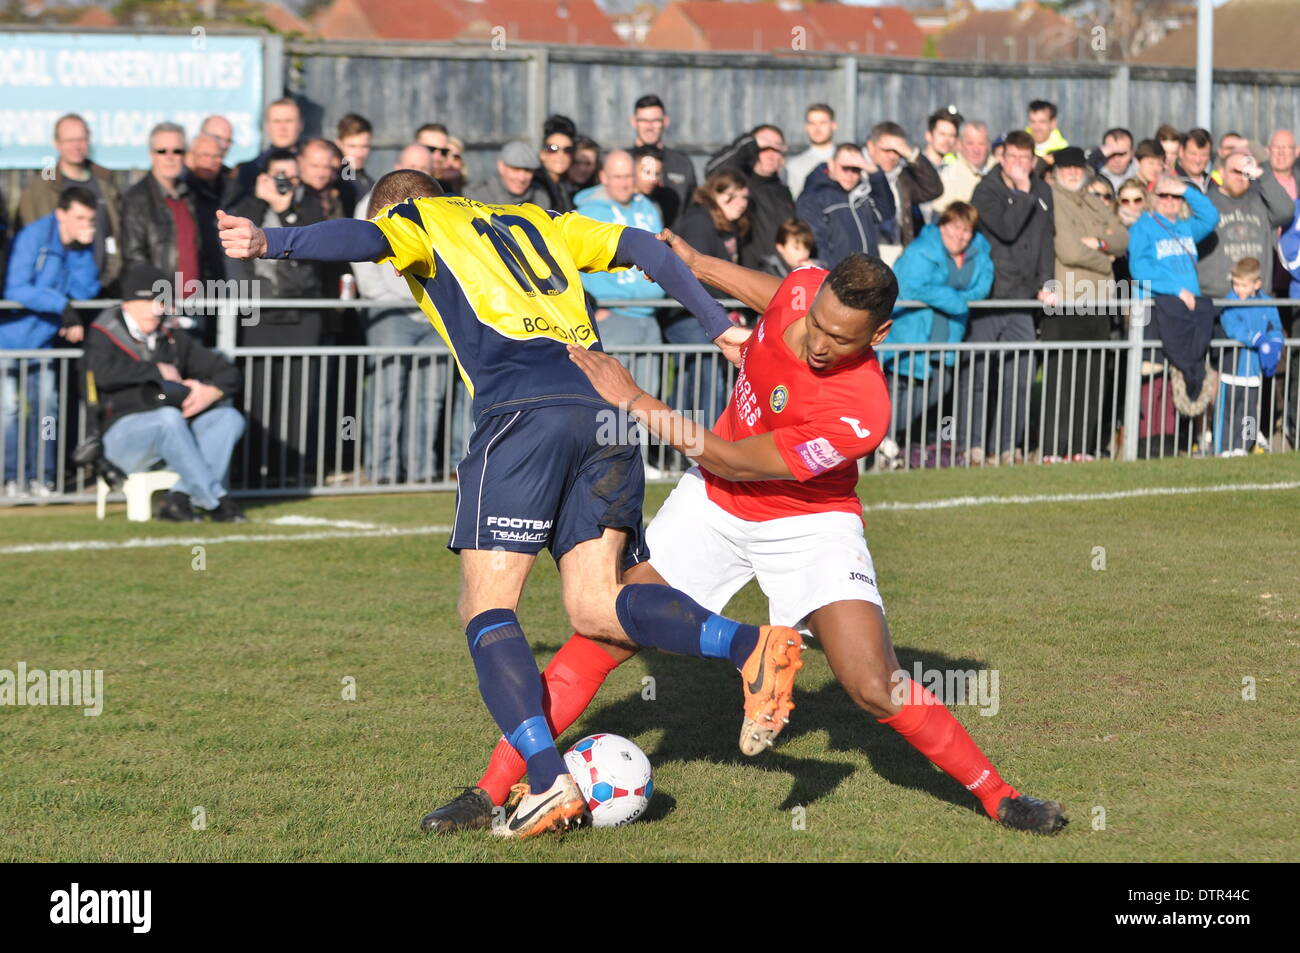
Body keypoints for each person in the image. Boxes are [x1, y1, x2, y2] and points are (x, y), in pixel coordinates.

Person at [218, 169, 792, 841]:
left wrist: (271, 239)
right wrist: (720, 326)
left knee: (487, 605)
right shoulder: (541, 220)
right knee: (595, 607)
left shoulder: (422, 221)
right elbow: (646, 247)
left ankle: (548, 779)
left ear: (400, 208)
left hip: (521, 413)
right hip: (607, 409)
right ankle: (749, 643)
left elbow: (362, 236)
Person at [422, 241, 1066, 837]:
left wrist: (635, 399)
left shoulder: (862, 410)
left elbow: (733, 457)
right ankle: (490, 791)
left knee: (873, 683)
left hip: (807, 522)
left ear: (880, 335)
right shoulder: (804, 292)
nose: (819, 343)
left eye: (841, 339)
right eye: (817, 323)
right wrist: (696, 263)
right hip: (714, 505)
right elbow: (777, 292)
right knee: (601, 633)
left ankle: (999, 795)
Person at [86, 264, 245, 522]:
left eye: (160, 300)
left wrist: (211, 392)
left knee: (229, 419)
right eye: (147, 300)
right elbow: (101, 375)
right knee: (167, 418)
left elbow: (227, 372)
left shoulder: (171, 335)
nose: (156, 308)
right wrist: (155, 370)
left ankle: (178, 499)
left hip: (174, 434)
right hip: (119, 439)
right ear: (127, 303)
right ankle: (216, 501)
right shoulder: (103, 334)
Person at [352, 144, 450, 484]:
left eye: (424, 166)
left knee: (431, 396)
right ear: (396, 166)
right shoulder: (371, 203)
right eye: (411, 165)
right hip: (390, 312)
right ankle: (382, 472)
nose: (419, 170)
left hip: (433, 314)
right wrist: (384, 298)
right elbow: (364, 265)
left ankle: (421, 472)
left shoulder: (441, 208)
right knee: (387, 394)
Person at [963, 130, 1055, 466]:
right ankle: (971, 445)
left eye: (1025, 160)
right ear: (1002, 158)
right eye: (1012, 158)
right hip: (990, 298)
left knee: (1019, 377)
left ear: (1033, 161)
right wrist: (1023, 193)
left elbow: (1047, 240)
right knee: (978, 376)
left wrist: (1049, 285)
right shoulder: (986, 189)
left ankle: (1008, 446)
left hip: (1024, 300)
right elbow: (1007, 228)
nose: (1018, 165)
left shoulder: (1043, 189)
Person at [2, 186, 99, 497]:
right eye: (79, 217)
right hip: (9, 339)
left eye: (90, 219)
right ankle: (10, 477)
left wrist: (84, 251)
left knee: (47, 409)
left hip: (42, 341)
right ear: (61, 213)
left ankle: (42, 477)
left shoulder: (79, 245)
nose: (86, 224)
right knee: (10, 410)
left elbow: (85, 292)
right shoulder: (33, 237)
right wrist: (61, 306)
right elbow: (15, 289)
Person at [879, 202, 993, 463]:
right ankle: (874, 440)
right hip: (911, 334)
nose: (959, 235)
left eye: (966, 230)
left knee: (937, 388)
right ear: (942, 225)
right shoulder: (921, 249)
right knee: (898, 393)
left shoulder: (979, 253)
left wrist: (942, 295)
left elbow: (981, 289)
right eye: (954, 227)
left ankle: (882, 439)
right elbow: (909, 285)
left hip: (947, 336)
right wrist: (954, 300)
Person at [1042, 148, 1129, 461]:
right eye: (1066, 167)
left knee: (1091, 380)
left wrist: (1103, 243)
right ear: (1057, 171)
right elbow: (1068, 250)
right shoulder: (1052, 199)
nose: (1073, 172)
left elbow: (1121, 238)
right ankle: (1054, 448)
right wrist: (1105, 261)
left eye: (1077, 167)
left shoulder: (1094, 200)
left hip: (1100, 302)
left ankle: (1081, 447)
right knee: (1061, 379)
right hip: (1066, 300)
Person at [574, 150, 665, 401]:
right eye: (617, 176)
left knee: (648, 398)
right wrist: (594, 310)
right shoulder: (586, 214)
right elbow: (570, 264)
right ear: (603, 176)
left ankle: (643, 443)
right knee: (612, 400)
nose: (624, 182)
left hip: (650, 315)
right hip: (613, 316)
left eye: (628, 176)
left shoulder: (647, 207)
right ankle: (615, 443)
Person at [667, 169, 750, 424]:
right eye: (731, 196)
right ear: (713, 194)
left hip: (706, 313)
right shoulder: (699, 221)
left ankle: (679, 445)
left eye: (744, 197)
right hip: (689, 314)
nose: (739, 203)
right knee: (707, 376)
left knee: (693, 380)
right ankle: (708, 446)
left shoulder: (727, 225)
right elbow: (695, 273)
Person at [16, 113, 123, 292]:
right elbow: (27, 241)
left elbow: (116, 234)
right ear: (57, 143)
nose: (76, 146)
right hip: (53, 289)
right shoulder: (40, 187)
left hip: (101, 286)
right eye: (69, 140)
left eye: (81, 139)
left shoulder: (106, 183)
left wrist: (111, 274)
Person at [120, 122, 207, 316]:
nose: (170, 157)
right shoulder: (136, 199)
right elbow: (135, 259)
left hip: (196, 306)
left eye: (177, 151)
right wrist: (159, 300)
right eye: (162, 151)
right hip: (159, 309)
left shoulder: (191, 197)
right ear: (151, 154)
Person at [1196, 149, 1293, 301]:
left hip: (1257, 299)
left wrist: (1264, 175)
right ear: (1221, 172)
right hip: (1215, 299)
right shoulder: (1206, 204)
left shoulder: (1261, 203)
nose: (1241, 177)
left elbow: (1286, 211)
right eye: (1235, 171)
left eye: (1246, 173)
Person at [1215, 257, 1284, 455]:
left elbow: (1274, 327)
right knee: (1227, 411)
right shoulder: (1229, 301)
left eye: (1243, 285)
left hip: (1253, 370)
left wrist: (1275, 343)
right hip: (1232, 367)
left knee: (1249, 412)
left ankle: (1243, 447)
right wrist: (1256, 339)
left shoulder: (1266, 302)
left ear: (1257, 284)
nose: (1238, 289)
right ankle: (1224, 449)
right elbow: (1232, 326)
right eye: (1235, 284)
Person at [795, 142, 894, 266]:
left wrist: (874, 173)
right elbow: (817, 244)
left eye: (856, 169)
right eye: (845, 168)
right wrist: (830, 277)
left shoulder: (862, 194)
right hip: (837, 277)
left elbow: (886, 211)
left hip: (867, 274)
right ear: (831, 165)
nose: (850, 174)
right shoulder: (814, 197)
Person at [864, 121, 941, 251]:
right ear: (871, 147)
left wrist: (911, 154)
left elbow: (934, 189)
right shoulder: (855, 174)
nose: (893, 156)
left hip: (900, 251)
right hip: (868, 250)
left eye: (897, 151)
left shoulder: (903, 176)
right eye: (887, 150)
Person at [628, 94, 695, 227]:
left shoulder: (681, 163)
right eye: (643, 120)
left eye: (655, 120)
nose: (649, 126)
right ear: (634, 121)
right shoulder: (622, 161)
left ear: (665, 121)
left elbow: (691, 209)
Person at [230, 98, 304, 205]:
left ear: (301, 125)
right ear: (267, 126)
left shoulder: (312, 166)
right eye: (276, 121)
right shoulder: (250, 169)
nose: (282, 128)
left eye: (289, 121)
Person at [932, 119, 993, 217]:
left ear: (989, 146)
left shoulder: (1000, 170)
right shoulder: (949, 175)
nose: (976, 149)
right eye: (970, 143)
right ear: (959, 144)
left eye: (981, 144)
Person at [785, 103, 837, 200]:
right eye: (812, 123)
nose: (817, 129)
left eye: (822, 123)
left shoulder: (847, 161)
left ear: (833, 125)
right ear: (806, 127)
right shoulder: (794, 165)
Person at [474, 140, 549, 207]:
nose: (521, 178)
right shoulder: (477, 196)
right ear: (501, 167)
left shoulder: (540, 196)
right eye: (515, 169)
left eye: (528, 170)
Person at [335, 113, 375, 212]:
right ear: (339, 144)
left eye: (364, 146)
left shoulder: (368, 181)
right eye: (352, 146)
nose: (359, 153)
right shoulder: (332, 179)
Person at [757, 218, 822, 278]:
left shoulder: (818, 267)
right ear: (781, 248)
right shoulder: (769, 271)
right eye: (796, 248)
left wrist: (818, 276)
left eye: (806, 248)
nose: (803, 253)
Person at [536, 120, 576, 213]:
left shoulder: (564, 186)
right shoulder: (535, 186)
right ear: (542, 154)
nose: (560, 155)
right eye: (553, 149)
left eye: (567, 150)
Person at [1088, 127, 1138, 193]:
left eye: (1122, 154)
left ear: (1132, 153)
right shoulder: (1091, 174)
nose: (1116, 159)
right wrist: (1095, 157)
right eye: (1111, 154)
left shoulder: (1143, 173)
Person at [1176, 128, 1214, 193]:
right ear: (1181, 152)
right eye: (1193, 154)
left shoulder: (1215, 183)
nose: (1197, 160)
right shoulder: (1170, 181)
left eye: (1203, 155)